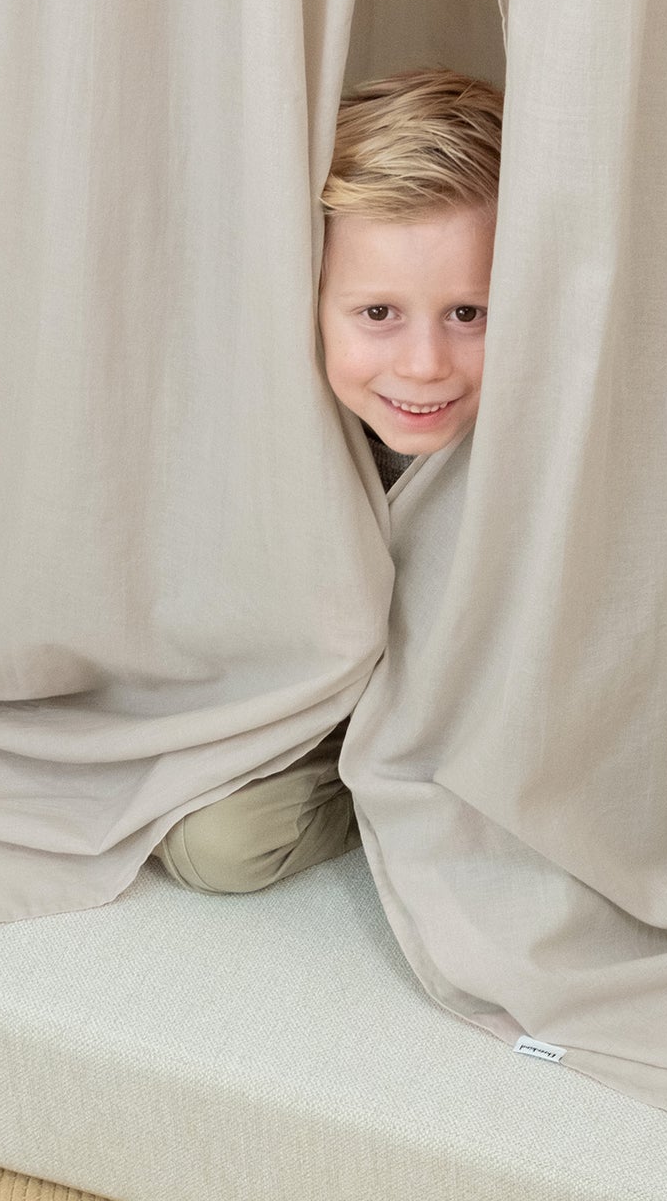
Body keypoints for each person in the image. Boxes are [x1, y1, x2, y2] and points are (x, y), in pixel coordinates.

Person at [151, 66, 503, 894]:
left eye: (469, 313)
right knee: (221, 846)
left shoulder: (552, 443)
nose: (425, 366)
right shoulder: (278, 426)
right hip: (323, 704)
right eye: (378, 314)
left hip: (481, 717)